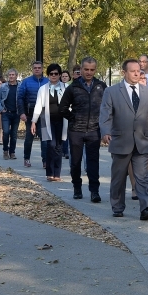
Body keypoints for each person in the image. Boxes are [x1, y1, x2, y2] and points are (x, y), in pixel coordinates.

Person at [100, 58, 148, 220]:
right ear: (124, 72)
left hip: (142, 142)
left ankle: (145, 208)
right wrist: (105, 132)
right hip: (120, 141)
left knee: (142, 177)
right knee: (119, 177)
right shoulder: (111, 91)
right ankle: (117, 206)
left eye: (139, 70)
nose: (136, 73)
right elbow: (106, 115)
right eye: (133, 70)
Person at [58, 57, 107, 202]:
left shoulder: (101, 86)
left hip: (94, 130)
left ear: (95, 70)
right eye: (86, 69)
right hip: (76, 131)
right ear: (81, 70)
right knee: (75, 162)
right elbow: (62, 108)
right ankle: (77, 188)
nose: (89, 72)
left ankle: (94, 191)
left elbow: (107, 107)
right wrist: (73, 118)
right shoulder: (73, 87)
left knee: (93, 162)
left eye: (92, 70)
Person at [31, 64, 68, 182]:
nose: (53, 76)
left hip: (62, 120)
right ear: (48, 75)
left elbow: (71, 105)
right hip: (48, 121)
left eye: (56, 74)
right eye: (51, 74)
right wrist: (33, 121)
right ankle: (49, 173)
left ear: (60, 75)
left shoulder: (66, 88)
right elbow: (38, 106)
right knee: (51, 145)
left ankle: (57, 174)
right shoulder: (43, 89)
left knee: (59, 146)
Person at [18, 61, 49, 167]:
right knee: (29, 138)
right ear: (32, 69)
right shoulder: (26, 82)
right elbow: (20, 98)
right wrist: (22, 112)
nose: (37, 69)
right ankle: (26, 158)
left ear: (42, 69)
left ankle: (45, 160)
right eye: (35, 68)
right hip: (30, 115)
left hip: (44, 115)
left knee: (44, 138)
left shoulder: (47, 81)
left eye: (39, 68)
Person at [0, 69, 20, 159]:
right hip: (6, 113)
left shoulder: (20, 86)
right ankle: (5, 150)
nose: (11, 76)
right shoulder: (3, 86)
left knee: (14, 134)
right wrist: (1, 109)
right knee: (6, 132)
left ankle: (12, 152)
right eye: (10, 75)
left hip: (16, 113)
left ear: (16, 76)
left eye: (13, 75)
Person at [60, 70, 71, 158]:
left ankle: (66, 151)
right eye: (63, 76)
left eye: (66, 76)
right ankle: (62, 150)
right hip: (59, 111)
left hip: (68, 111)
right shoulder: (56, 87)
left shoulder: (70, 87)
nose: (64, 78)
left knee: (66, 132)